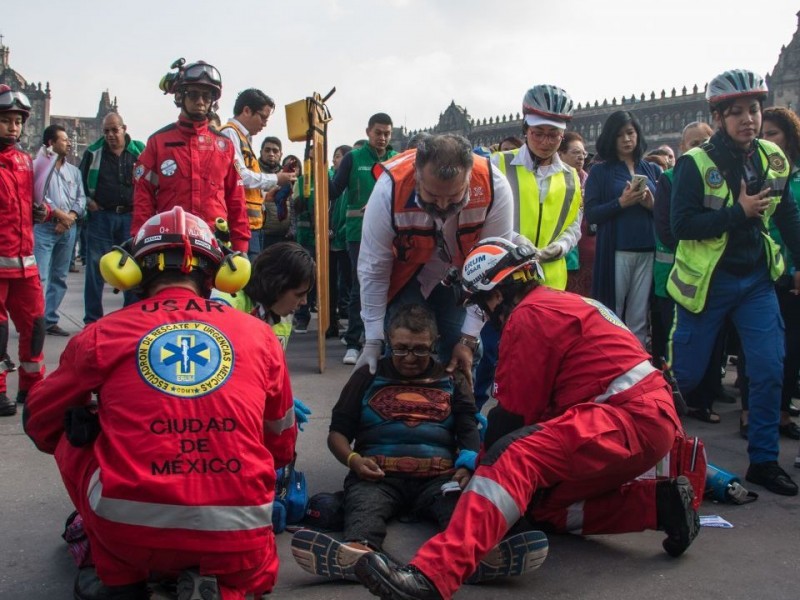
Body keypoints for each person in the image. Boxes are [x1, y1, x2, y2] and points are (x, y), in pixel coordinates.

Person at [355, 237, 698, 600]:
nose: (484, 315)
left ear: (496, 293)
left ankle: (431, 576)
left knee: (513, 457)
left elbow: (513, 420)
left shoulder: (528, 317)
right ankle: (661, 507)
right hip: (648, 421)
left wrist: (478, 469)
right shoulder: (562, 303)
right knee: (541, 507)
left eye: (480, 304)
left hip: (625, 419)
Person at [24, 206, 297, 599]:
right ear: (216, 274)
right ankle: (228, 584)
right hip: (240, 534)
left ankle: (118, 576)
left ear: (133, 272)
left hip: (129, 534)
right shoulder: (260, 335)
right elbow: (282, 444)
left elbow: (38, 421)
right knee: (248, 566)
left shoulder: (103, 334)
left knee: (74, 434)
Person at [289, 303, 538, 584]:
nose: (410, 357)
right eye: (401, 348)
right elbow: (337, 433)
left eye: (420, 349)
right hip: (377, 477)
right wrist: (354, 461)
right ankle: (358, 555)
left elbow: (468, 427)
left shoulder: (452, 378)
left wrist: (468, 466)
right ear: (389, 341)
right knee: (363, 507)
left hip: (440, 479)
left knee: (463, 507)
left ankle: (475, 556)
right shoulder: (367, 375)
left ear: (435, 343)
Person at [669, 69, 800, 496]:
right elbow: (680, 226)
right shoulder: (695, 163)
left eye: (755, 110)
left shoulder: (772, 159)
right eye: (738, 112)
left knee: (767, 367)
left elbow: (787, 216)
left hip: (756, 281)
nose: (749, 119)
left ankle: (763, 460)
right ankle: (657, 453)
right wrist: (737, 213)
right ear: (720, 116)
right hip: (707, 285)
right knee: (684, 378)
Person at [357, 133, 513, 383]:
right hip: (406, 274)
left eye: (454, 197)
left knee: (460, 352)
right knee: (402, 346)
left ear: (469, 177)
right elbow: (374, 268)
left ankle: (460, 413)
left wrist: (468, 338)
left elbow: (493, 270)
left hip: (464, 275)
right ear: (417, 175)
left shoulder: (495, 187)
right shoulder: (390, 189)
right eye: (431, 196)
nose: (442, 205)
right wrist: (373, 339)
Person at [652, 121, 733, 423]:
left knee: (713, 340)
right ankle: (669, 402)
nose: (701, 146)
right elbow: (669, 230)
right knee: (677, 342)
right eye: (695, 142)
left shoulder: (724, 178)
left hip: (714, 275)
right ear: (683, 147)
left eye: (707, 141)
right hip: (677, 275)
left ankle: (703, 399)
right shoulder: (670, 179)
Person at [132, 58, 249, 253]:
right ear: (180, 97)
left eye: (206, 95)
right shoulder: (158, 142)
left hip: (215, 244)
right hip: (169, 241)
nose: (200, 101)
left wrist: (241, 248)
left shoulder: (225, 146)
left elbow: (236, 200)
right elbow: (143, 196)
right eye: (193, 94)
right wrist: (139, 238)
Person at [745, 106, 800, 439]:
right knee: (763, 348)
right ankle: (751, 414)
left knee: (790, 347)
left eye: (773, 134)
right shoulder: (754, 173)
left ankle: (780, 412)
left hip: (791, 270)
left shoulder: (790, 175)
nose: (766, 141)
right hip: (767, 269)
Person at [585, 110, 662, 347]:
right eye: (620, 135)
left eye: (630, 133)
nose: (627, 139)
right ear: (611, 138)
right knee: (613, 311)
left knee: (639, 315)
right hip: (616, 249)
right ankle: (612, 358)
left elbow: (665, 213)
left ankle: (636, 365)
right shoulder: (600, 171)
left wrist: (652, 204)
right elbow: (592, 213)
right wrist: (621, 203)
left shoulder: (652, 169)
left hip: (647, 248)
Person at [328, 113, 397, 365]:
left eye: (387, 133)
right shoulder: (353, 159)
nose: (382, 138)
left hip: (391, 233)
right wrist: (315, 173)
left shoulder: (395, 159)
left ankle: (385, 341)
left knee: (391, 285)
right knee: (362, 285)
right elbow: (334, 190)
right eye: (378, 132)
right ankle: (354, 341)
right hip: (358, 233)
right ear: (368, 132)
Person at [0, 85, 47, 415]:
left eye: (17, 121)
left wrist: (38, 211)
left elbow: (27, 204)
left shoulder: (25, 161)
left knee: (36, 326)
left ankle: (32, 389)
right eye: (6, 120)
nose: (13, 127)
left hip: (25, 263)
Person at [79, 112, 145, 324]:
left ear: (124, 128)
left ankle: (130, 317)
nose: (110, 135)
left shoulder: (138, 151)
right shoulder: (93, 152)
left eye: (114, 130)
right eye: (106, 131)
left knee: (131, 269)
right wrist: (89, 202)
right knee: (95, 270)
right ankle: (92, 319)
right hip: (102, 217)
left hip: (130, 217)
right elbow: (79, 182)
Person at [219, 89, 297, 259]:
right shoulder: (229, 134)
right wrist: (276, 178)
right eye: (262, 117)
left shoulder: (242, 137)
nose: (264, 124)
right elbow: (241, 177)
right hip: (238, 225)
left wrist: (264, 197)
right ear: (246, 111)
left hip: (250, 225)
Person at [211, 241, 315, 351]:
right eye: (299, 295)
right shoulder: (224, 306)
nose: (304, 302)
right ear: (277, 284)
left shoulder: (283, 314)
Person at [33, 124, 86, 337]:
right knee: (40, 276)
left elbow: (81, 197)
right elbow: (38, 196)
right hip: (45, 226)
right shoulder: (39, 167)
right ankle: (35, 320)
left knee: (60, 276)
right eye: (64, 139)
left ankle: (50, 319)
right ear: (51, 143)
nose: (69, 142)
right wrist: (58, 215)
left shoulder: (73, 170)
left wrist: (70, 217)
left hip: (68, 228)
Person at [558, 131, 595, 297]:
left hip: (587, 249)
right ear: (560, 154)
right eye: (575, 153)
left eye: (583, 153)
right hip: (562, 249)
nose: (581, 157)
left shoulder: (590, 181)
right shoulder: (554, 180)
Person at [328, 144, 354, 338]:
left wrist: (338, 233)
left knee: (350, 285)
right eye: (335, 157)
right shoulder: (332, 183)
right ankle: (331, 323)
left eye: (339, 157)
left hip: (345, 241)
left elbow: (348, 214)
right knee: (332, 286)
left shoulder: (349, 186)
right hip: (331, 242)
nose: (335, 160)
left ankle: (353, 328)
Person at [259, 138, 294, 248]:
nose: (271, 154)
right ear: (261, 152)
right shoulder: (254, 174)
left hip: (285, 236)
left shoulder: (288, 176)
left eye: (275, 151)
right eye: (267, 150)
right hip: (261, 235)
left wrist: (292, 229)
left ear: (281, 154)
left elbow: (293, 205)